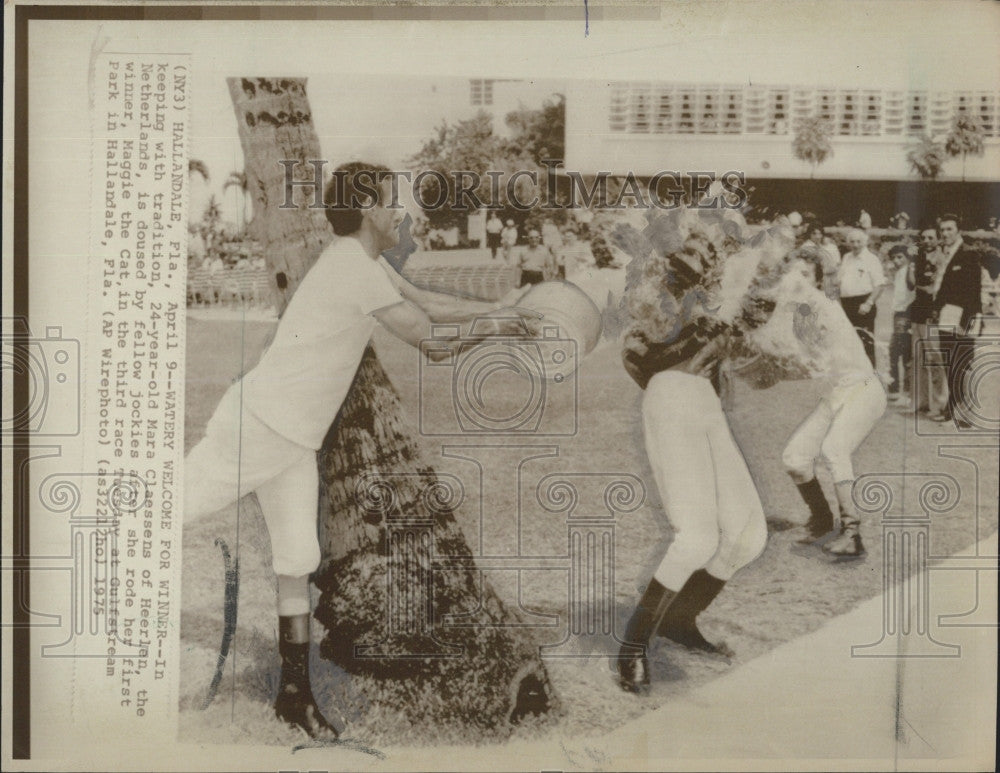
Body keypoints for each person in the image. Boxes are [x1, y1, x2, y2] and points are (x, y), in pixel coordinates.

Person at [184, 162, 528, 738]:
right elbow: (429, 340)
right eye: (394, 202)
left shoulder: (360, 262)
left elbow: (428, 302)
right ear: (369, 209)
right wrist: (499, 330)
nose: (402, 213)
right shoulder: (352, 265)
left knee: (297, 557)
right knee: (163, 513)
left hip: (291, 437)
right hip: (260, 427)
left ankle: (295, 696)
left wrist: (500, 310)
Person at [616, 237, 767, 693]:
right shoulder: (657, 294)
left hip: (705, 404)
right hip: (673, 398)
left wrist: (744, 334)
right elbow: (638, 358)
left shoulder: (725, 294)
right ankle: (633, 648)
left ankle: (679, 621)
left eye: (710, 253)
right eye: (697, 252)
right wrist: (704, 327)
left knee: (748, 535)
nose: (705, 260)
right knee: (697, 536)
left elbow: (745, 366)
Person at [781, 256, 887, 558]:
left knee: (833, 450)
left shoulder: (820, 304)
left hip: (864, 388)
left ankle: (852, 533)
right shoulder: (799, 310)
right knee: (795, 458)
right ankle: (822, 521)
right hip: (837, 393)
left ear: (815, 281)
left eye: (803, 273)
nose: (795, 278)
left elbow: (809, 362)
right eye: (792, 272)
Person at [933, 214, 982, 428]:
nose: (945, 233)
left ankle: (963, 416)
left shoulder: (968, 254)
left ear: (958, 230)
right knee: (950, 365)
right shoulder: (945, 253)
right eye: (942, 230)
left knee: (961, 365)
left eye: (949, 229)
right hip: (947, 314)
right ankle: (951, 411)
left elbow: (973, 289)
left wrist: (967, 320)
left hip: (964, 314)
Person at [908, 226, 948, 417]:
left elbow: (934, 289)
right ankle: (921, 401)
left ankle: (940, 403)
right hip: (917, 310)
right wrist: (911, 266)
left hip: (932, 312)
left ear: (938, 239)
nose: (926, 240)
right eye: (923, 237)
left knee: (934, 359)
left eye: (930, 237)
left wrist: (919, 284)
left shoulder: (942, 258)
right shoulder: (918, 257)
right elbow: (910, 284)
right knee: (918, 358)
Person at [837, 228, 887, 366]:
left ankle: (870, 379)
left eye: (859, 241)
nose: (855, 244)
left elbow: (880, 285)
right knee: (850, 344)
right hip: (847, 304)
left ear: (864, 242)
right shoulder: (847, 257)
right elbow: (839, 281)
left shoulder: (871, 259)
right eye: (852, 241)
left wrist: (868, 303)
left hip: (863, 304)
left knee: (866, 343)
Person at [886, 245, 915, 405]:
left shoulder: (909, 271)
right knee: (896, 352)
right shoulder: (898, 273)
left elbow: (912, 286)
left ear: (907, 257)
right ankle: (897, 389)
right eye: (894, 258)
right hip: (898, 314)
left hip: (905, 314)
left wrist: (911, 267)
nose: (897, 261)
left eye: (900, 257)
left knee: (900, 352)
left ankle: (904, 390)